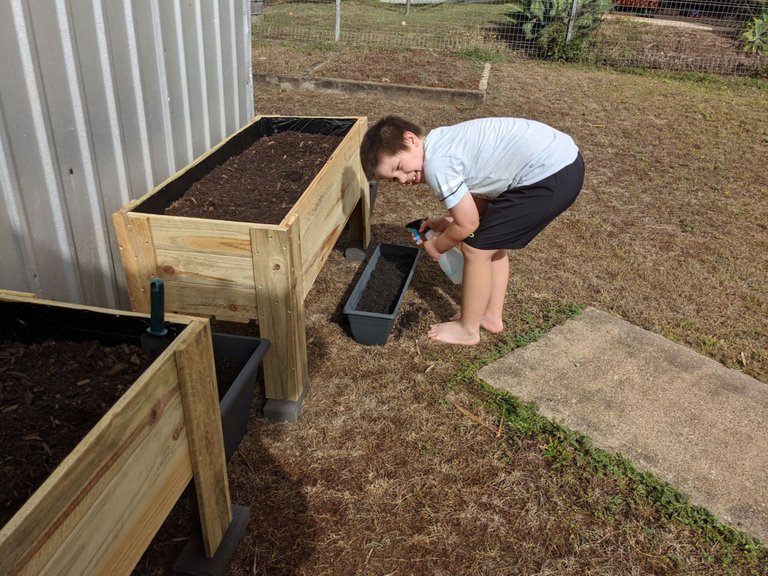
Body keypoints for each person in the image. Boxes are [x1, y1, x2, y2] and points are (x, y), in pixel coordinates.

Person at [359, 115, 584, 345]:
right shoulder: (442, 141)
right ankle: (491, 316)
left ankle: (467, 329)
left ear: (411, 139)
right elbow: (480, 204)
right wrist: (447, 220)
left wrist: (437, 246)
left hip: (548, 174)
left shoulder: (436, 163)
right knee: (490, 241)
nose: (403, 179)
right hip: (563, 161)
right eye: (394, 179)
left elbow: (468, 224)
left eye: (398, 167)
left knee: (475, 248)